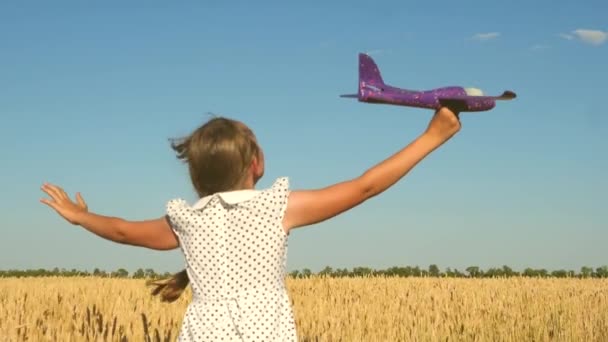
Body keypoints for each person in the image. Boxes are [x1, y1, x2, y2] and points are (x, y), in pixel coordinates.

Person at [40, 106, 461, 341]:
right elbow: (366, 186)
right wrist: (432, 136)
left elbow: (120, 230)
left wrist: (81, 217)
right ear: (257, 164)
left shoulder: (187, 221)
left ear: (196, 177)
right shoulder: (277, 207)